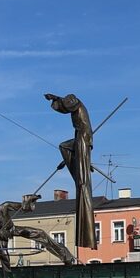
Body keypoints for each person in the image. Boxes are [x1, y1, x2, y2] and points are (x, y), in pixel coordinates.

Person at [45, 93, 97, 249]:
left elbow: (66, 105)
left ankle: (80, 174)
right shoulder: (75, 105)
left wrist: (55, 98)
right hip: (79, 137)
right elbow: (65, 106)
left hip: (83, 137)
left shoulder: (76, 103)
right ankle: (77, 170)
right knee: (64, 146)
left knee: (82, 182)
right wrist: (55, 99)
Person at [0, 196, 76, 272]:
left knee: (40, 233)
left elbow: (20, 207)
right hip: (3, 235)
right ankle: (7, 273)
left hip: (13, 229)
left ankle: (65, 256)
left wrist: (30, 201)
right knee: (3, 252)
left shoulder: (5, 205)